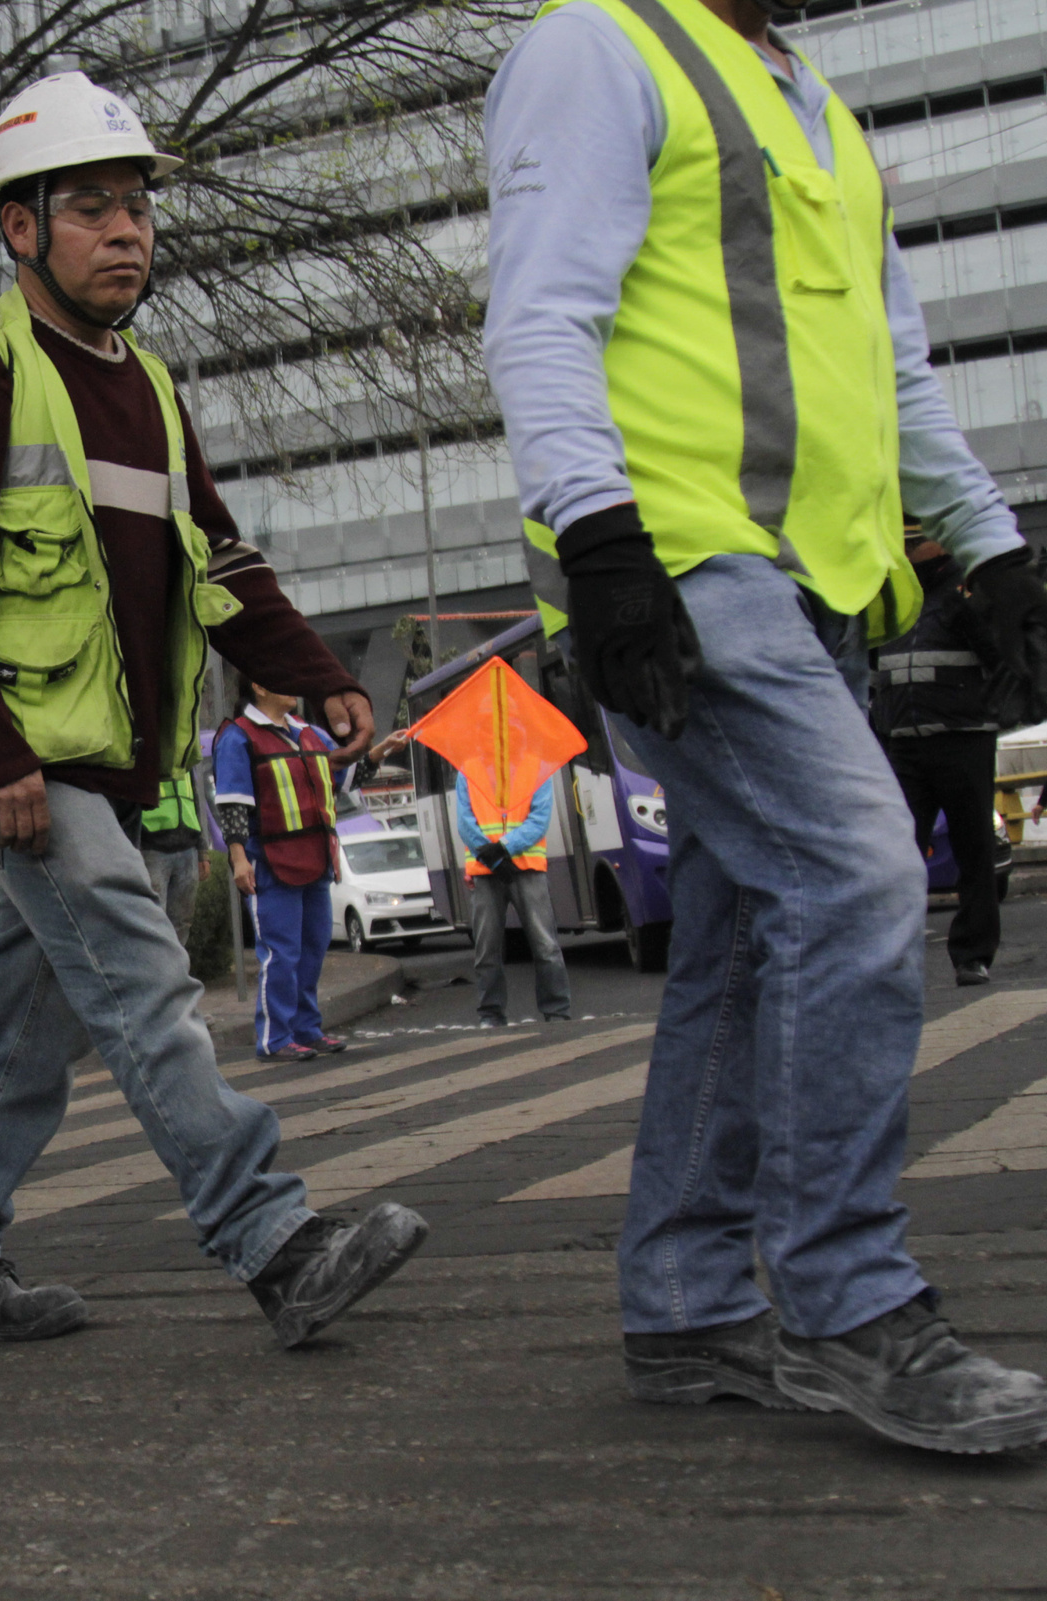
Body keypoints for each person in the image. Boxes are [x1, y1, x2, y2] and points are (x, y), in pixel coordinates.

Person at [485, 0, 1047, 1450]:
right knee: (855, 873)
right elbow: (540, 313)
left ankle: (684, 1306)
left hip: (817, 585)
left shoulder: (814, 108)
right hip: (679, 568)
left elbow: (889, 363)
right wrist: (598, 540)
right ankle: (849, 1303)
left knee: (742, 935)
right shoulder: (599, 48)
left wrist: (984, 546)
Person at [0, 73, 425, 1352]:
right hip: (25, 767)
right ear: (18, 228)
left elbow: (221, 565)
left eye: (136, 207)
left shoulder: (150, 384)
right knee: (141, 981)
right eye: (90, 208)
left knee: (33, 1018)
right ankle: (273, 1240)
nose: (126, 231)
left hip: (121, 765)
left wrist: (327, 674)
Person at [873, 534, 1005, 986]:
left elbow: (999, 657)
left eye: (918, 541)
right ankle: (893, 957)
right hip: (904, 743)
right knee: (896, 856)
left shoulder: (965, 594)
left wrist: (971, 612)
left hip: (963, 738)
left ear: (942, 544)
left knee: (974, 851)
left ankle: (973, 954)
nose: (908, 549)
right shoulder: (895, 593)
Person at [213, 683, 349, 1063]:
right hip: (272, 861)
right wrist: (239, 859)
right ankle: (275, 1038)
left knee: (313, 947)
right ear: (258, 687)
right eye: (281, 679)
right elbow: (233, 806)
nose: (293, 687)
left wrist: (375, 752)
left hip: (315, 858)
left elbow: (338, 779)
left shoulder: (308, 732)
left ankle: (307, 1029)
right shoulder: (238, 736)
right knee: (281, 953)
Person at [455, 771, 573, 1025]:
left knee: (545, 945)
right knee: (487, 948)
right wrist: (495, 856)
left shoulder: (536, 768)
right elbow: (465, 824)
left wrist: (500, 848)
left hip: (522, 867)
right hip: (490, 870)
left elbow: (539, 820)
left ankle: (556, 1010)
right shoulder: (469, 770)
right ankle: (492, 1013)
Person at [137, 773, 206, 944]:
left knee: (182, 923)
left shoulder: (184, 752)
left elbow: (194, 797)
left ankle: (176, 970)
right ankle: (156, 971)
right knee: (152, 923)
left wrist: (202, 849)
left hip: (188, 847)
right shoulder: (144, 749)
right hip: (151, 847)